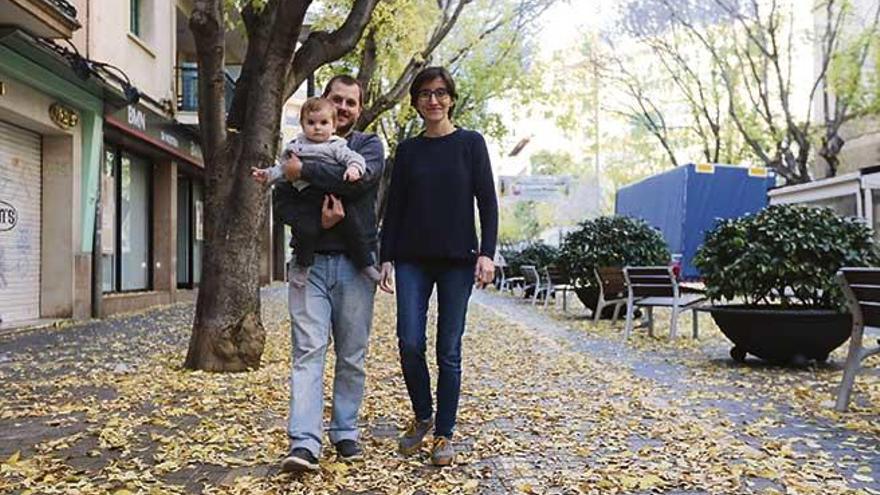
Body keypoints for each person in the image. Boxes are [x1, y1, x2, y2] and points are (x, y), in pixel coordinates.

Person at [378, 66, 499, 466]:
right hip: (412, 258)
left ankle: (444, 434)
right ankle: (422, 415)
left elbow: (487, 201)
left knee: (449, 348)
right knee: (410, 341)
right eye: (426, 93)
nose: (433, 100)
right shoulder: (408, 151)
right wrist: (386, 257)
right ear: (415, 101)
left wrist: (486, 252)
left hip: (457, 263)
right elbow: (393, 208)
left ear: (451, 98)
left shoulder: (471, 144)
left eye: (441, 92)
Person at [271, 75, 385, 472]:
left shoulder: (367, 146)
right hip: (310, 264)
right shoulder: (296, 145)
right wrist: (318, 223)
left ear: (358, 108)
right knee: (307, 353)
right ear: (322, 103)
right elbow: (282, 199)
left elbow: (358, 187)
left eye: (350, 102)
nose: (342, 108)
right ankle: (304, 443)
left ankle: (345, 432)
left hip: (356, 268)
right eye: (335, 99)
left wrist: (303, 171)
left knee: (352, 355)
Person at [252, 97, 381, 288]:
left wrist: (353, 169)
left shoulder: (336, 145)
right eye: (311, 123)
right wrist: (268, 174)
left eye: (323, 123)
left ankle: (365, 264)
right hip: (307, 196)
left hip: (333, 194)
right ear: (302, 125)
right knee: (306, 229)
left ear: (333, 125)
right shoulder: (296, 146)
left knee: (353, 225)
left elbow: (354, 160)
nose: (317, 128)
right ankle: (302, 267)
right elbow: (284, 170)